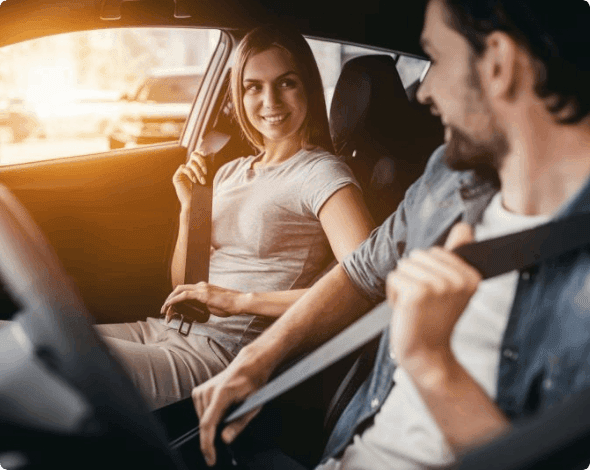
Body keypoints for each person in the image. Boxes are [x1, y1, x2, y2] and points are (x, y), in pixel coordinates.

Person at [190, 0, 590, 468]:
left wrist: (432, 364)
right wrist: (256, 360)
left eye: (435, 60)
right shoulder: (447, 177)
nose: (423, 92)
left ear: (498, 64)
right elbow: (359, 273)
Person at [95, 25, 375, 410]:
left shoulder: (322, 174)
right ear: (239, 95)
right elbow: (186, 284)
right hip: (164, 329)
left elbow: (363, 286)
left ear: (308, 87)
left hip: (217, 355)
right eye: (253, 87)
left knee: (39, 362)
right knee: (25, 340)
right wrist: (190, 210)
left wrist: (242, 300)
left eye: (286, 83)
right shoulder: (229, 171)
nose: (270, 100)